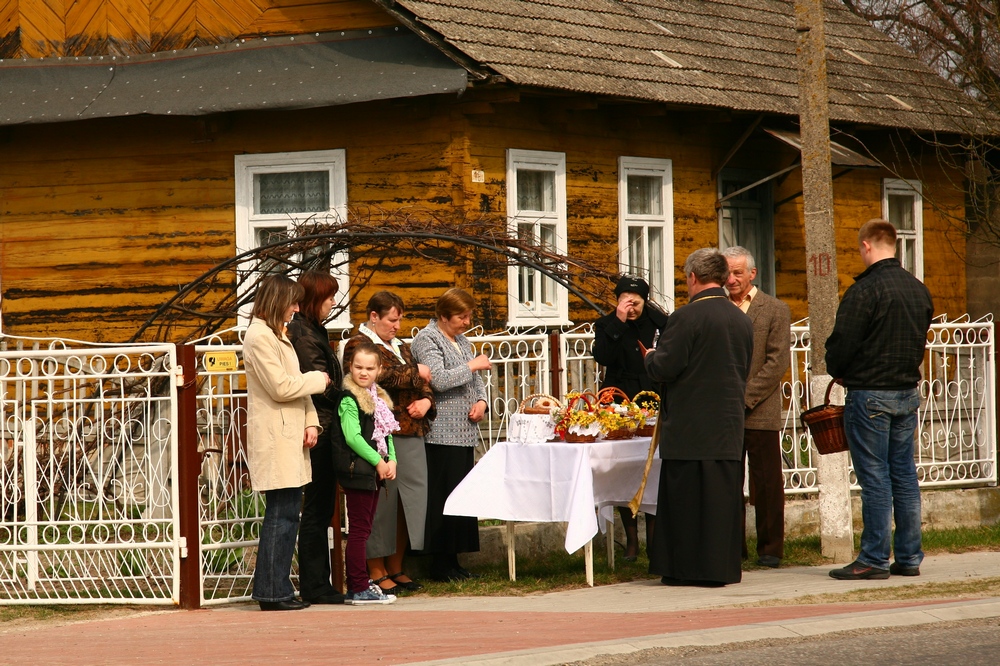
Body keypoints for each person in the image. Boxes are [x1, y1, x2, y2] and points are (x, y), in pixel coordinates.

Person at [826, 219, 933, 580]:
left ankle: (873, 557)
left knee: (874, 478)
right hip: (906, 392)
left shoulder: (864, 291)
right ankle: (908, 556)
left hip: (870, 394)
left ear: (866, 246)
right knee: (904, 476)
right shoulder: (919, 290)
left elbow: (842, 344)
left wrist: (836, 368)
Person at [644, 248, 753, 587]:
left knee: (687, 503)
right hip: (727, 425)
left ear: (692, 277)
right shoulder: (741, 319)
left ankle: (685, 569)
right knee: (720, 503)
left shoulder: (686, 317)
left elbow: (666, 366)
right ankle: (719, 568)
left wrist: (650, 357)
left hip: (691, 427)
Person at [243, 274, 330, 611]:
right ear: (277, 300)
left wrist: (312, 422)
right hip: (276, 435)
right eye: (293, 301)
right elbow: (282, 386)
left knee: (289, 513)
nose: (297, 307)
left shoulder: (278, 334)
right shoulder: (259, 336)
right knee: (282, 514)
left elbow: (295, 385)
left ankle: (275, 588)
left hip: (291, 433)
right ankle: (272, 592)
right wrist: (318, 379)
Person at [342, 291, 436, 595]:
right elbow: (381, 377)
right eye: (392, 320)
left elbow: (425, 382)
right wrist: (415, 372)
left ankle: (397, 566)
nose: (397, 325)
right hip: (381, 434)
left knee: (407, 503)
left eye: (400, 319)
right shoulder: (358, 344)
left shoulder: (401, 346)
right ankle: (376, 569)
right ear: (374, 317)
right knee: (382, 505)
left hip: (411, 430)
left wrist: (425, 400)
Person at [410, 288, 491, 582]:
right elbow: (440, 379)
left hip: (464, 430)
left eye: (469, 315)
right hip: (441, 431)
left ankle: (455, 560)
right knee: (442, 497)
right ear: (443, 316)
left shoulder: (461, 340)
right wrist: (472, 364)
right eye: (461, 316)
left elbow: (477, 380)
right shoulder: (427, 339)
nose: (467, 321)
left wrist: (482, 402)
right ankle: (440, 563)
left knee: (459, 497)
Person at [722, 247, 791, 569]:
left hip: (760, 410)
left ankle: (771, 548)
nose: (732, 279)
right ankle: (731, 547)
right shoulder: (716, 307)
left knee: (766, 482)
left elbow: (777, 362)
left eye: (738, 273)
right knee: (727, 481)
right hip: (724, 413)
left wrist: (745, 397)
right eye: (727, 273)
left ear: (752, 274)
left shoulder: (774, 309)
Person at [592, 275, 668, 561]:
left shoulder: (660, 322)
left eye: (636, 303)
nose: (631, 307)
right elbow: (602, 356)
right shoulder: (607, 324)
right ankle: (632, 540)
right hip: (618, 396)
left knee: (651, 466)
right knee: (626, 468)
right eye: (626, 302)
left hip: (651, 394)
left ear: (644, 301)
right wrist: (619, 322)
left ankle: (654, 537)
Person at [286, 270, 346, 604]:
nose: (333, 303)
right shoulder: (304, 333)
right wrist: (349, 398)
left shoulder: (312, 330)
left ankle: (317, 583)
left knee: (320, 509)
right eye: (328, 297)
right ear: (314, 299)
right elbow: (319, 383)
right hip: (319, 428)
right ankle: (314, 584)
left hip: (323, 424)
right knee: (316, 510)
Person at [336, 341, 399, 605]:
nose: (364, 372)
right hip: (358, 470)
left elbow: (385, 432)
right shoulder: (349, 399)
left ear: (379, 370)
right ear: (349, 367)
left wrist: (392, 459)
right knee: (360, 531)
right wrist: (377, 462)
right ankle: (358, 587)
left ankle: (360, 584)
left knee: (366, 528)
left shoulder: (378, 398)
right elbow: (353, 437)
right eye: (358, 367)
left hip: (373, 470)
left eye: (369, 368)